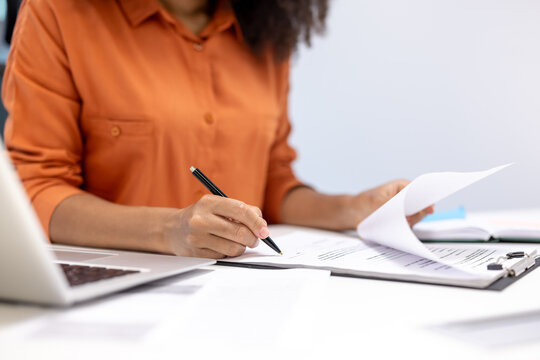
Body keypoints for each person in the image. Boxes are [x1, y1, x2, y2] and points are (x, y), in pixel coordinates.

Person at [2, 0, 432, 259]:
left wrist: (353, 209)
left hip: (241, 290)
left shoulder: (265, 28)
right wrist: (170, 230)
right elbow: (37, 192)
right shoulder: (59, 12)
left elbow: (274, 182)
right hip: (113, 291)